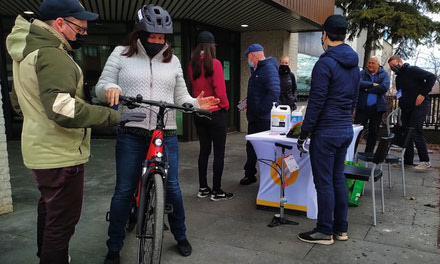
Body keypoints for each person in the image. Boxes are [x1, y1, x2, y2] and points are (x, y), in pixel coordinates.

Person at [5, 0, 145, 263]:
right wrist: (115, 117)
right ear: (60, 23)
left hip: (40, 150)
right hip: (60, 154)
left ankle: (45, 256)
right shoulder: (51, 54)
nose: (84, 32)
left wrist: (40, 120)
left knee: (49, 212)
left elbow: (18, 102)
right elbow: (62, 109)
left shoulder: (27, 52)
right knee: (61, 224)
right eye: (79, 27)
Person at [95, 5, 220, 264]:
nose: (157, 41)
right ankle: (114, 247)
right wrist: (110, 88)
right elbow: (101, 85)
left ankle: (180, 234)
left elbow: (181, 97)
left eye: (162, 37)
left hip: (166, 133)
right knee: (124, 190)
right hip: (131, 132)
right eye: (151, 36)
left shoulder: (172, 61)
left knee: (172, 187)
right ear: (139, 34)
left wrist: (196, 103)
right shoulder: (120, 54)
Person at [296, 14, 360, 245]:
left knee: (324, 183)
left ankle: (324, 230)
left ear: (325, 34)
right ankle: (340, 229)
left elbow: (316, 102)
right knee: (337, 180)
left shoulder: (325, 63)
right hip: (344, 129)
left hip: (326, 131)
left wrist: (305, 132)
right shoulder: (354, 64)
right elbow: (354, 99)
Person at [188, 31, 234, 201]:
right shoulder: (215, 64)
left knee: (204, 151)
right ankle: (217, 190)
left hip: (199, 112)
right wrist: (226, 106)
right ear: (211, 47)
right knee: (219, 152)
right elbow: (220, 91)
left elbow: (194, 89)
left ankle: (203, 188)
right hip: (215, 113)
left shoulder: (192, 64)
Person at [240, 43, 280, 185]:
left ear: (252, 56)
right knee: (250, 147)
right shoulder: (257, 70)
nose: (248, 61)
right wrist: (247, 102)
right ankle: (250, 174)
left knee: (264, 150)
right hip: (256, 117)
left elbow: (273, 93)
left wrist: (260, 109)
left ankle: (268, 180)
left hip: (263, 118)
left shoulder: (268, 68)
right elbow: (258, 92)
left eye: (248, 58)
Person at [388, 55, 435, 170]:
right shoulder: (398, 77)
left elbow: (431, 77)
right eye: (391, 68)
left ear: (401, 62)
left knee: (415, 131)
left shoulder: (412, 70)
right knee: (406, 133)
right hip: (406, 108)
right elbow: (400, 91)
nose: (394, 69)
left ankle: (425, 161)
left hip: (419, 106)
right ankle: (408, 161)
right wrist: (399, 101)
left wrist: (422, 94)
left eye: (395, 65)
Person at [354, 56, 390, 153]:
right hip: (363, 107)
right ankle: (351, 154)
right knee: (357, 132)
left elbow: (384, 87)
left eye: (372, 63)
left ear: (378, 65)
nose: (370, 65)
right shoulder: (362, 73)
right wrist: (372, 85)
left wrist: (366, 89)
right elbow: (357, 84)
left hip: (377, 108)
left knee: (373, 132)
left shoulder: (384, 75)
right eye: (369, 62)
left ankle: (368, 154)